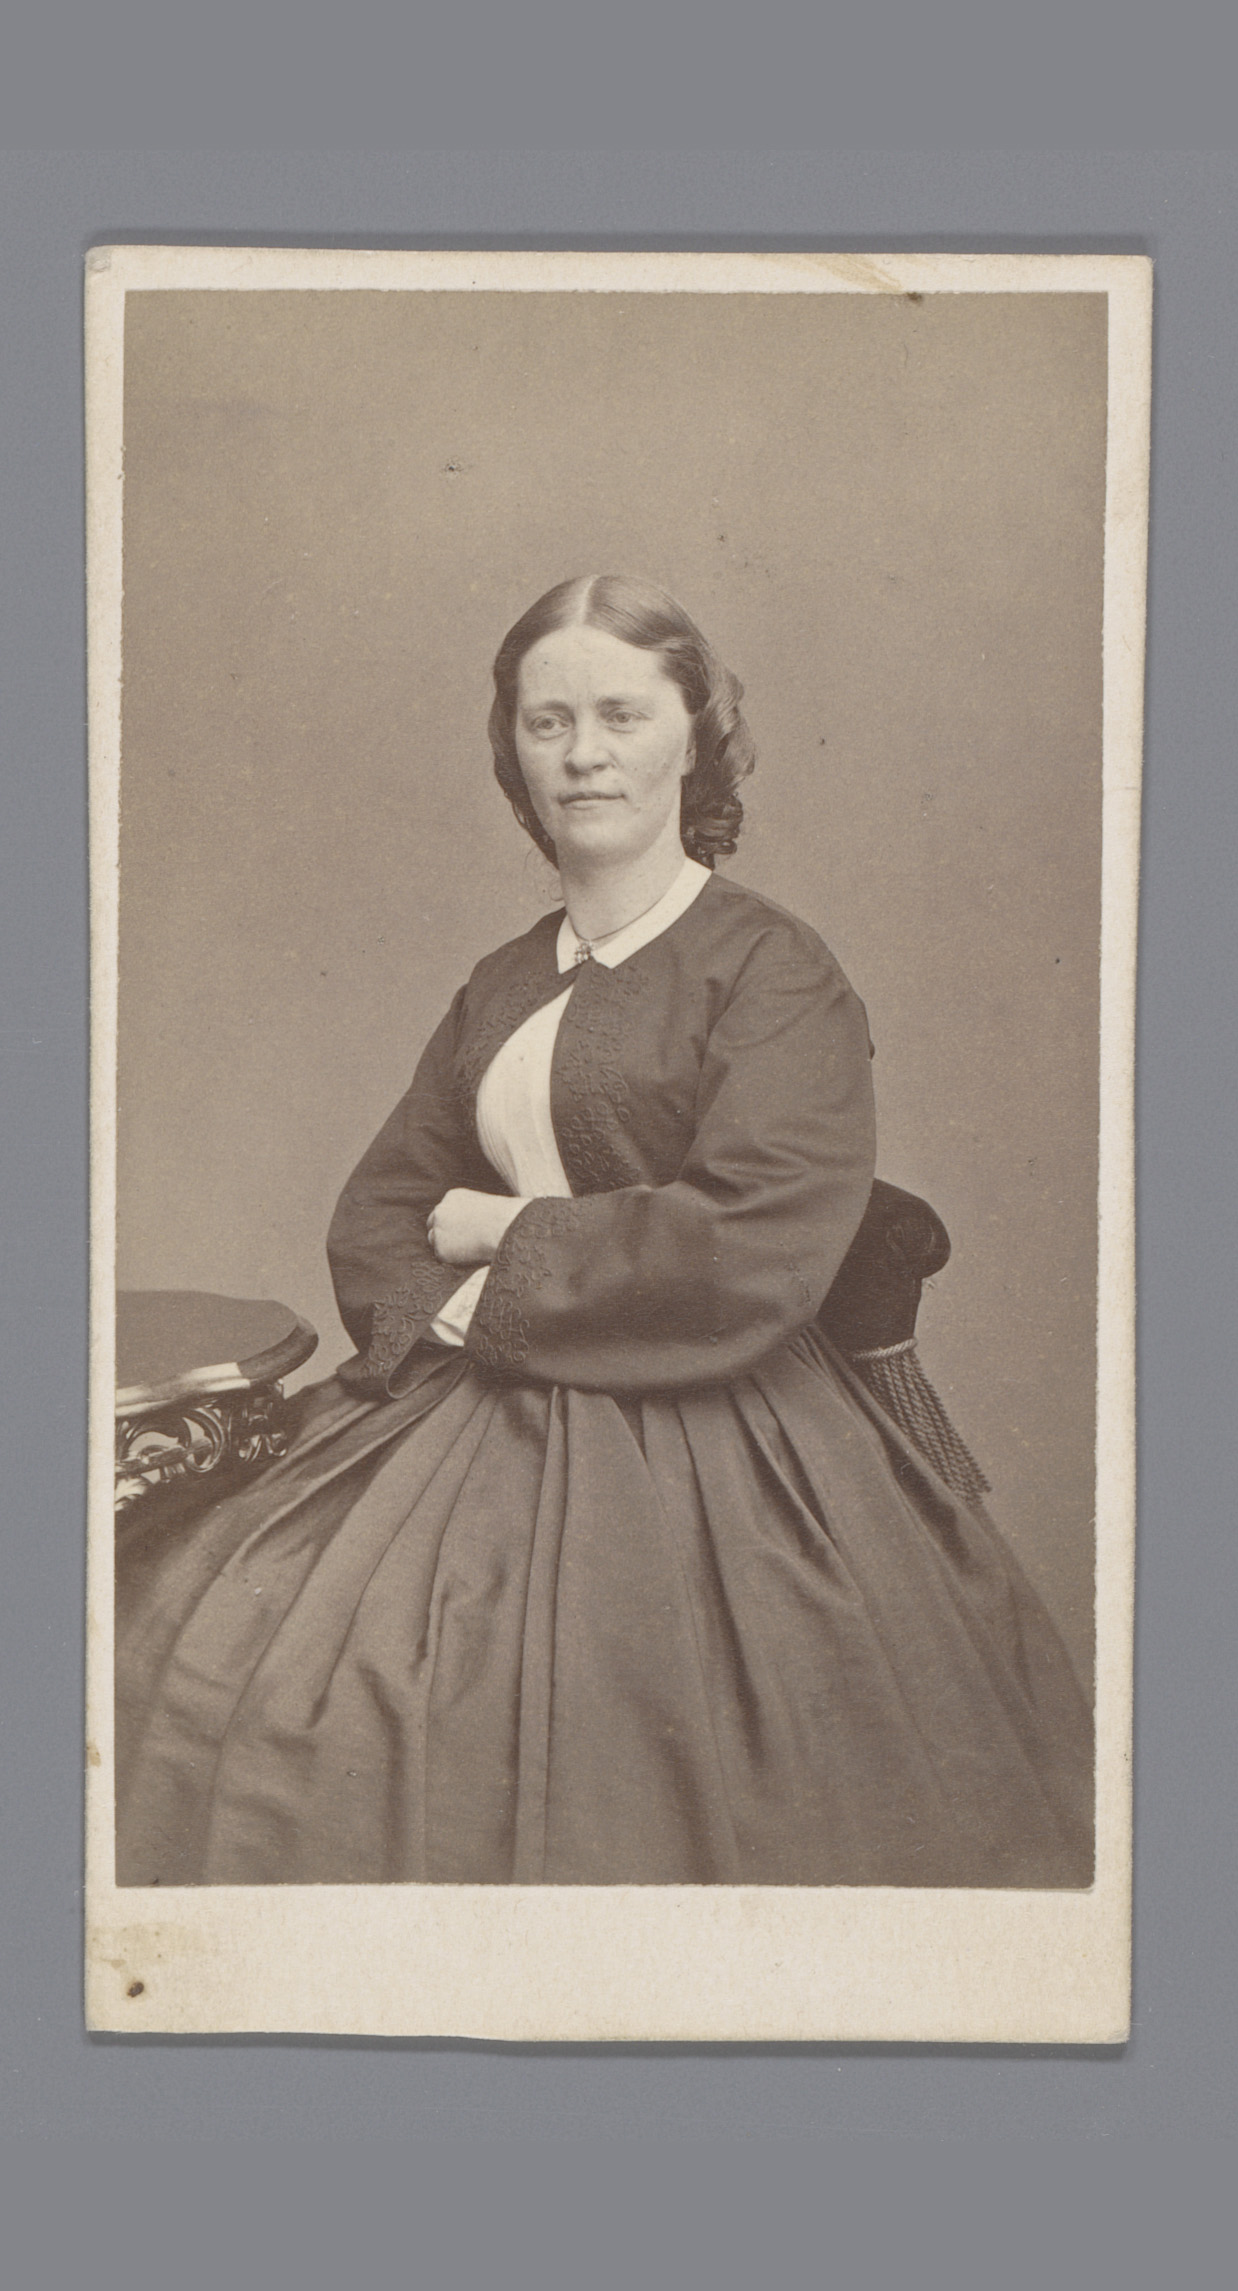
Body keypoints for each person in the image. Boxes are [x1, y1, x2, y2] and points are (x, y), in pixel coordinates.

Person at [115, 573, 1093, 1889]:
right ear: (515, 757)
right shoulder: (506, 979)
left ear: (695, 737)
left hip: (728, 1427)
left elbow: (749, 1237)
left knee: (675, 1743)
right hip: (472, 1397)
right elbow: (381, 1212)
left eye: (622, 715)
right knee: (248, 1656)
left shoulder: (772, 970)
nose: (584, 754)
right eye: (549, 722)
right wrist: (470, 1299)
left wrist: (507, 1232)